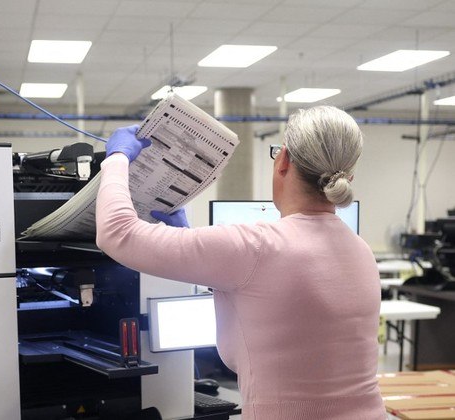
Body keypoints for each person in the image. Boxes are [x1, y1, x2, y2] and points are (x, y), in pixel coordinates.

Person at [95, 106, 385, 419]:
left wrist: (116, 159)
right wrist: (200, 253)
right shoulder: (361, 250)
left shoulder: (256, 246)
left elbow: (117, 233)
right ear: (349, 174)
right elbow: (272, 298)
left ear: (283, 160)